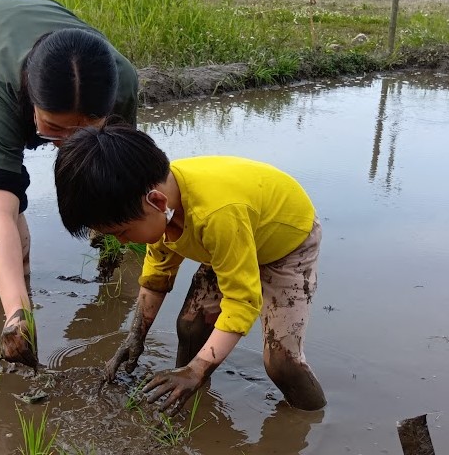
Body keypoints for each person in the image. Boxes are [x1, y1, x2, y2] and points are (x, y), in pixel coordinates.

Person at [53, 123, 327, 415]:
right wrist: (136, 335)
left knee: (282, 364)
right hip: (229, 242)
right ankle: (188, 403)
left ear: (157, 202)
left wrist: (197, 369)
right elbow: (157, 274)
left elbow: (242, 301)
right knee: (191, 326)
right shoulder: (159, 205)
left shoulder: (215, 214)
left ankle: (313, 418)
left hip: (286, 245)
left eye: (122, 232)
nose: (121, 242)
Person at [0, 0, 138, 367]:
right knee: (3, 206)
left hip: (36, 38)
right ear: (31, 104)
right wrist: (18, 316)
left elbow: (121, 168)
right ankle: (17, 290)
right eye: (56, 128)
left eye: (85, 129)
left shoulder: (120, 82)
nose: (68, 143)